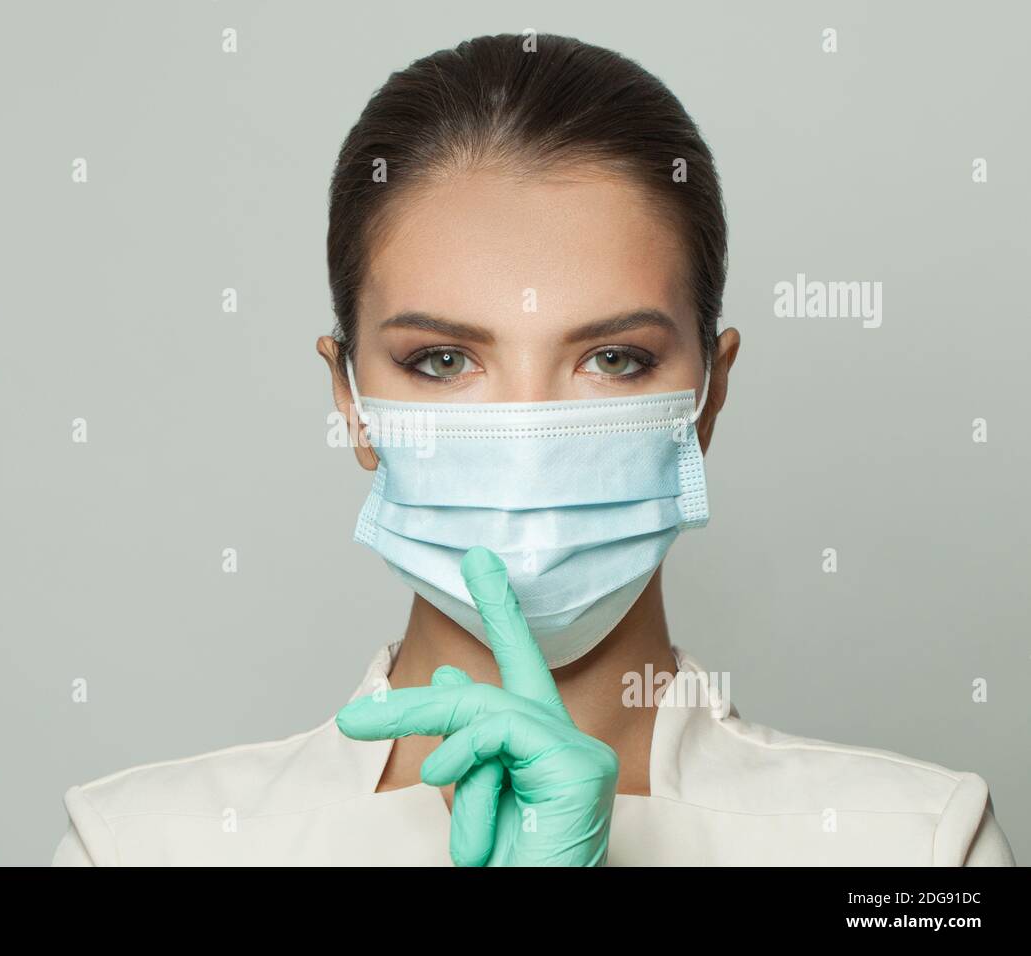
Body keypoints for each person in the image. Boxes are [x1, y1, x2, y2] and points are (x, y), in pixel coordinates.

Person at [51, 33, 1016, 866]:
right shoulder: (144, 849)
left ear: (708, 395)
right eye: (440, 360)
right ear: (348, 401)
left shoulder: (913, 847)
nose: (525, 439)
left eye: (611, 358)